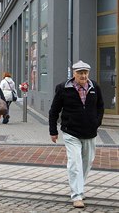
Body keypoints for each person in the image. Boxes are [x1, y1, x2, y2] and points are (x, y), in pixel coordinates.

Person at [49, 60, 104, 209]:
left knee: (87, 163)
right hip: (71, 132)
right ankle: (77, 195)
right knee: (75, 163)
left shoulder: (94, 87)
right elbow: (54, 111)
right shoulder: (63, 88)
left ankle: (79, 187)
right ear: (74, 74)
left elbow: (100, 106)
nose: (83, 76)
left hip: (90, 132)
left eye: (85, 73)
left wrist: (96, 122)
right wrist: (53, 131)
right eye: (80, 73)